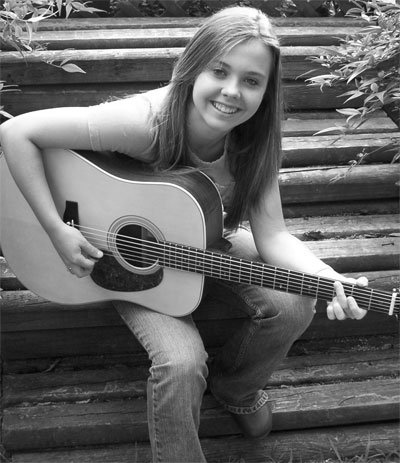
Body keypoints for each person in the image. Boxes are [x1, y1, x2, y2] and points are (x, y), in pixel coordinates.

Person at [0, 6, 368, 462]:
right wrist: (57, 229)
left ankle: (236, 389)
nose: (232, 92)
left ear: (267, 91)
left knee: (296, 302)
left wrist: (329, 277)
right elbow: (16, 133)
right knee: (181, 362)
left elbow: (273, 236)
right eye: (220, 71)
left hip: (202, 238)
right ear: (193, 67)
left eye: (252, 81)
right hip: (117, 259)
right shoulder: (146, 122)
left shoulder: (255, 144)